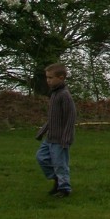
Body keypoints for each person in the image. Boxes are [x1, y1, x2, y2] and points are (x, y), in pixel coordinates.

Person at [36, 62, 76, 198]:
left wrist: (66, 138)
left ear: (61, 78)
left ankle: (64, 189)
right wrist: (42, 131)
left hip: (60, 139)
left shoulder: (64, 95)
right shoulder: (53, 94)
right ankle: (57, 180)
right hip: (50, 138)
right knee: (41, 157)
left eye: (50, 78)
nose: (48, 80)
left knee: (60, 164)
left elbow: (70, 118)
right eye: (47, 77)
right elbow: (52, 118)